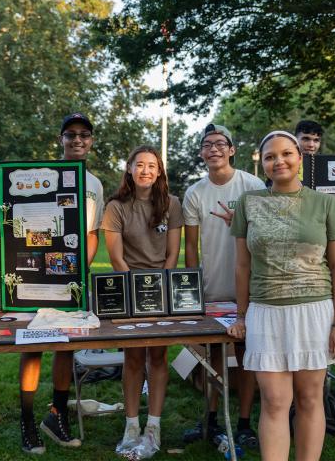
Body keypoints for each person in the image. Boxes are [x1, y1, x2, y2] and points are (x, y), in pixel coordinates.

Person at [227, 130, 335, 460]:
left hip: (313, 311)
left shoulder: (324, 203)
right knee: (274, 402)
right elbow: (242, 266)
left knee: (310, 399)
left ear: (299, 157)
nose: (278, 161)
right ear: (262, 163)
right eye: (270, 156)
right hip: (265, 311)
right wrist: (241, 315)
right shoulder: (248, 203)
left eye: (286, 154)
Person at [19, 113, 104, 454]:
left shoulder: (95, 184)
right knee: (33, 344)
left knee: (66, 344)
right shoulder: (40, 176)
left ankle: (56, 413)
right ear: (61, 139)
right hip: (36, 274)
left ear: (91, 141)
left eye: (84, 134)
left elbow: (92, 233)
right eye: (71, 134)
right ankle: (26, 421)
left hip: (71, 279)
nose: (78, 140)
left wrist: (77, 273)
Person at [182, 123, 265, 446]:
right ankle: (212, 419)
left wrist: (241, 224)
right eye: (207, 144)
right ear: (202, 153)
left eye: (220, 143)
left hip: (250, 289)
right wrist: (190, 292)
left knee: (246, 356)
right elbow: (190, 248)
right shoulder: (195, 193)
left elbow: (265, 234)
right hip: (212, 287)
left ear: (232, 149)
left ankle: (244, 424)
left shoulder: (253, 184)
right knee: (213, 357)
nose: (213, 149)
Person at [101, 145, 183, 449]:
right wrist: (137, 293)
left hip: (161, 287)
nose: (145, 170)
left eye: (151, 165)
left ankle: (154, 427)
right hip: (128, 287)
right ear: (129, 169)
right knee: (133, 357)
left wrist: (158, 288)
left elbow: (173, 253)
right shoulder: (116, 206)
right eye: (139, 165)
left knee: (158, 357)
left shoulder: (172, 204)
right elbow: (116, 258)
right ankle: (132, 425)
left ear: (159, 170)